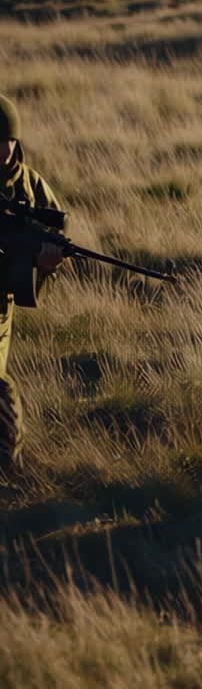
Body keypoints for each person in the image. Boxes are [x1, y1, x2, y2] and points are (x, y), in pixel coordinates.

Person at [0, 95, 68, 476]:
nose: (4, 150)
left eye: (8, 141)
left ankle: (7, 464)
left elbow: (56, 232)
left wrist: (46, 262)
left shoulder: (29, 185)